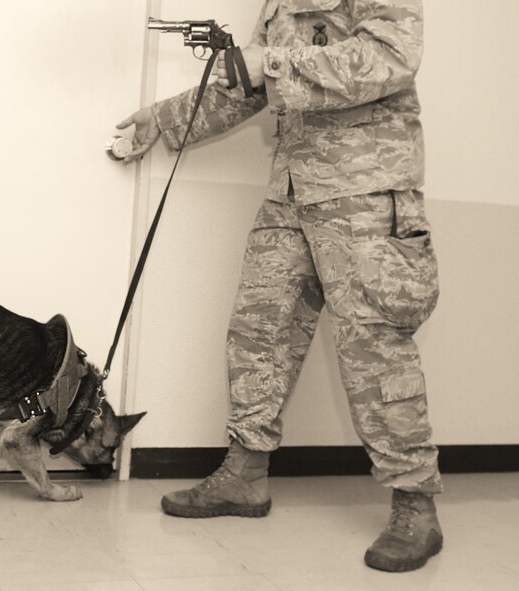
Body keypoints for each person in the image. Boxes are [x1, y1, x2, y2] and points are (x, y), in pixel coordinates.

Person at [117, 0, 442, 573]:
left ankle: (414, 502)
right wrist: (165, 118)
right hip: (291, 188)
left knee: (375, 350)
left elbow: (390, 57)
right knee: (257, 334)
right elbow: (250, 83)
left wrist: (271, 59)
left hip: (364, 190)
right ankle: (245, 474)